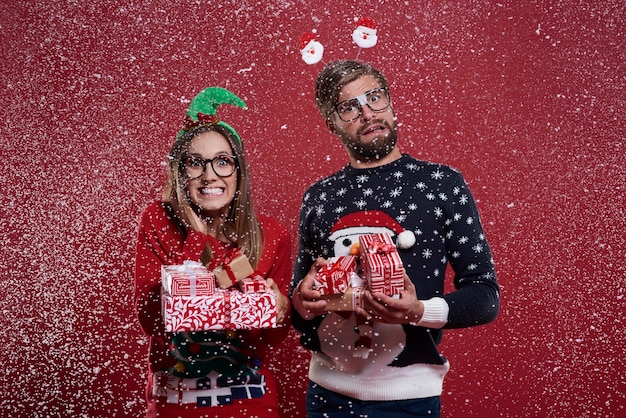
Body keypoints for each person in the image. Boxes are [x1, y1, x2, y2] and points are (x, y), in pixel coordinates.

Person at [289, 60, 500, 417]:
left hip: (410, 399)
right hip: (326, 396)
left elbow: (485, 296)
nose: (367, 113)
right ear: (332, 124)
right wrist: (302, 300)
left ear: (390, 102)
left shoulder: (441, 184)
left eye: (375, 97)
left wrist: (419, 311)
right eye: (349, 107)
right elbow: (299, 312)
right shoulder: (319, 196)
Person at [134, 87, 292, 418]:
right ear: (180, 172)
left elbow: (272, 337)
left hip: (250, 404)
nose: (210, 175)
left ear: (239, 171)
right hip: (173, 407)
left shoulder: (272, 235)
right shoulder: (158, 221)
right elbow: (152, 319)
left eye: (223, 162)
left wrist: (280, 308)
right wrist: (197, 234)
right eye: (195, 163)